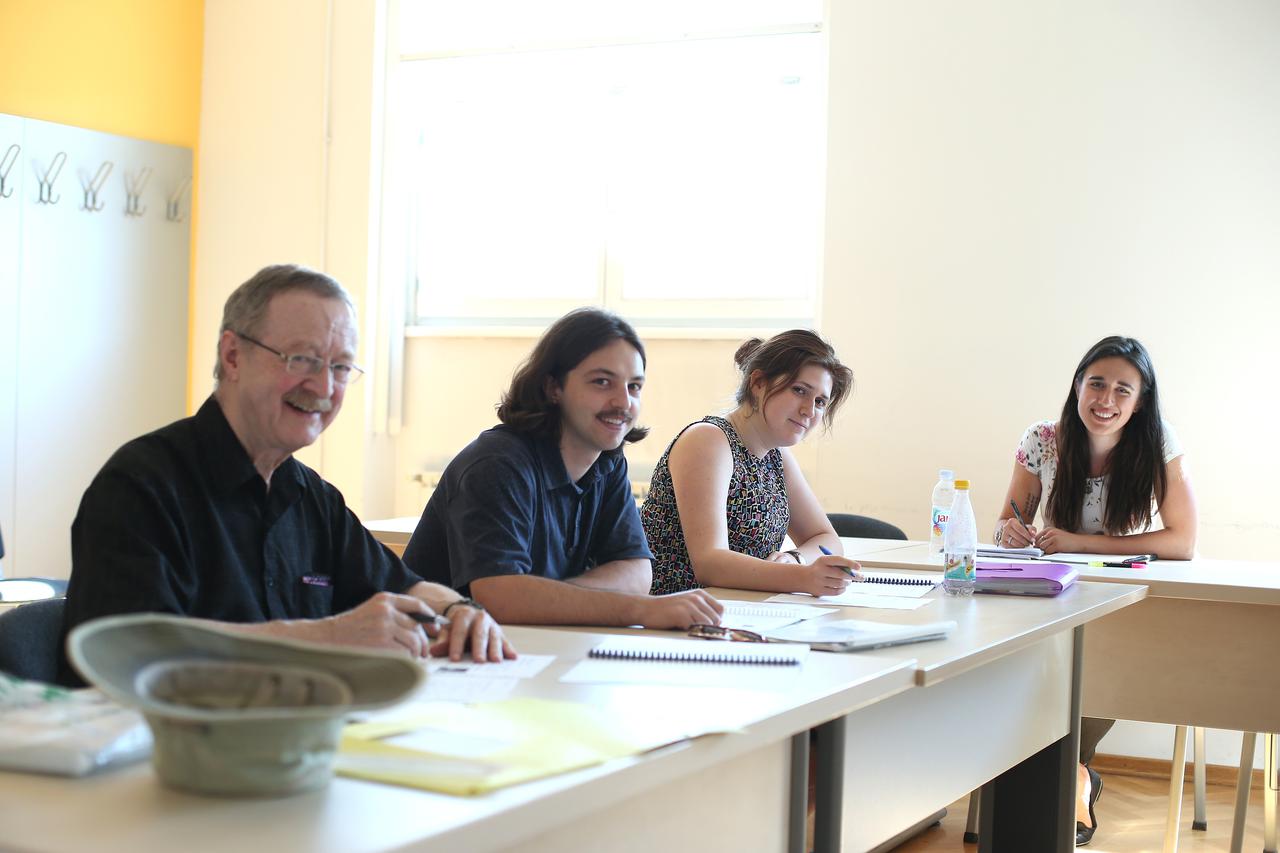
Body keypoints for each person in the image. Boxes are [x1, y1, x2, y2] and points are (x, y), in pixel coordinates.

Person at [61, 264, 512, 686]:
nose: (323, 388)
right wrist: (331, 636)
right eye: (302, 359)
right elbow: (128, 654)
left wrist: (459, 610)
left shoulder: (313, 497)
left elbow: (404, 585)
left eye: (339, 367)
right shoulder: (140, 487)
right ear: (233, 356)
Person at [993, 334, 1198, 846]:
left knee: (1109, 662)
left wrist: (1083, 543)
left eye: (1122, 390)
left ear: (1141, 400)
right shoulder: (1043, 438)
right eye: (1096, 384)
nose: (1106, 400)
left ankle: (1072, 774)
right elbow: (1006, 521)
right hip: (1049, 591)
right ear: (1078, 387)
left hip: (1121, 592)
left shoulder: (1157, 442)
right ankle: (1073, 778)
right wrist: (1010, 532)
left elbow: (1183, 541)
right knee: (1024, 667)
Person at [401, 308, 723, 628]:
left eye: (634, 386)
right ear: (553, 387)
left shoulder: (607, 460)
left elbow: (637, 573)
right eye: (602, 382)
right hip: (437, 656)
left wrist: (543, 600)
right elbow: (498, 596)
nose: (624, 402)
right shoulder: (497, 465)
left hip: (527, 644)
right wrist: (640, 610)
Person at [642, 330, 861, 596]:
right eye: (799, 390)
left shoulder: (776, 456)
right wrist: (800, 577)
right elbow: (710, 564)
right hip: (674, 615)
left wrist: (794, 558)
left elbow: (826, 539)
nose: (809, 410)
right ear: (758, 383)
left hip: (738, 611)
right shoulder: (708, 440)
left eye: (819, 401)